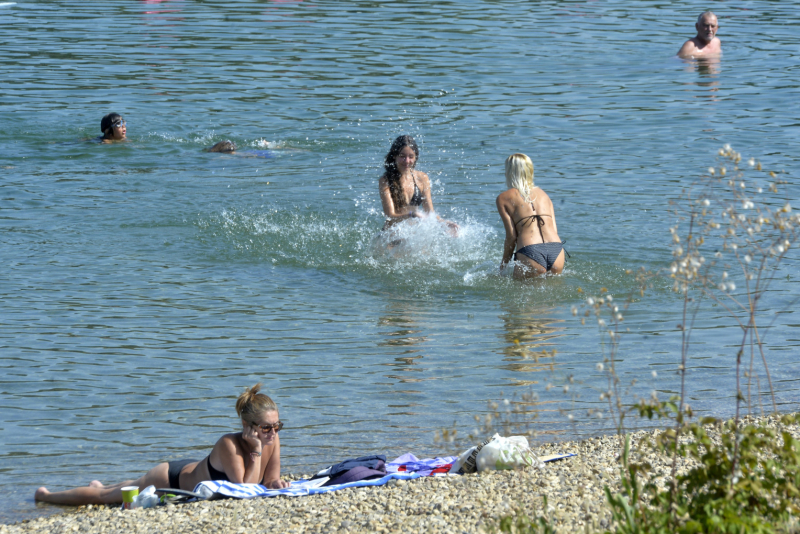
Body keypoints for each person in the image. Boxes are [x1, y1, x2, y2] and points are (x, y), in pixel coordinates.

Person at [34, 383, 289, 505]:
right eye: (266, 427)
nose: (273, 432)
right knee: (106, 498)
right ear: (247, 425)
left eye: (277, 426)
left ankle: (98, 483)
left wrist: (275, 483)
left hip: (193, 469)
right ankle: (46, 496)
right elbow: (245, 489)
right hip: (170, 478)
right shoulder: (228, 445)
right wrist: (256, 451)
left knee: (124, 486)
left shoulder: (272, 439)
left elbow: (268, 480)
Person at [496, 153, 566, 278]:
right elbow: (554, 230)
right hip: (556, 250)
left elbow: (511, 237)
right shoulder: (544, 195)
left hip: (530, 252)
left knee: (518, 289)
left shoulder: (503, 198)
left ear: (509, 172)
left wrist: (503, 266)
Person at [378, 135, 458, 234]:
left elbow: (430, 212)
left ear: (416, 157)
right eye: (402, 156)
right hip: (390, 234)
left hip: (412, 233)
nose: (407, 161)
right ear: (394, 156)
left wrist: (444, 223)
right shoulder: (385, 181)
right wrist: (412, 214)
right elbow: (390, 216)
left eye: (411, 157)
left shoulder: (422, 178)